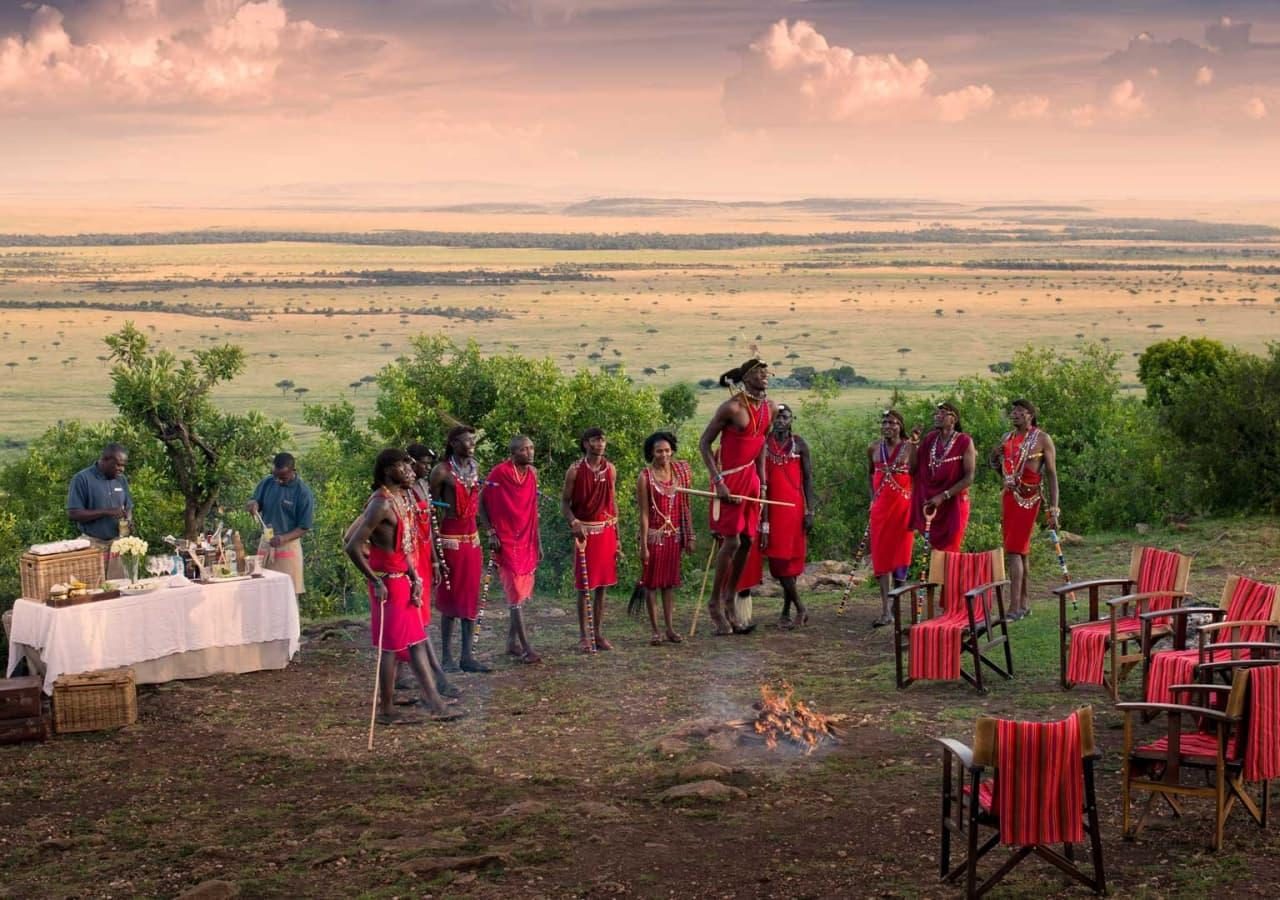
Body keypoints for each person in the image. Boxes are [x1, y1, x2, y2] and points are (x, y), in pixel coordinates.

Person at [343, 449, 458, 724]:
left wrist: (415, 577)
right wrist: (375, 579)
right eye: (402, 466)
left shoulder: (402, 498)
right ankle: (386, 710)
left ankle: (436, 704)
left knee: (417, 642)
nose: (409, 471)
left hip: (404, 581)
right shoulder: (380, 503)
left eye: (409, 465)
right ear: (386, 470)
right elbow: (352, 544)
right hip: (388, 585)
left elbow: (405, 546)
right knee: (391, 649)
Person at [699, 358, 775, 636]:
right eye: (758, 371)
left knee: (749, 540)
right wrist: (717, 480)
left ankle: (731, 599)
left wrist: (763, 481)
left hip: (752, 482)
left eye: (767, 371)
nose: (765, 375)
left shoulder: (771, 408)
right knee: (730, 541)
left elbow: (762, 443)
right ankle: (715, 605)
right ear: (745, 377)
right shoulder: (731, 408)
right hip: (729, 480)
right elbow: (704, 443)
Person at [397, 444, 460, 699]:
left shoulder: (422, 486)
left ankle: (409, 675)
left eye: (428, 463)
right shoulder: (402, 492)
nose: (426, 467)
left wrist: (435, 560)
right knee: (411, 617)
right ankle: (430, 678)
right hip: (408, 558)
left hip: (423, 555)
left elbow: (430, 528)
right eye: (422, 463)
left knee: (420, 616)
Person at [430, 426, 491, 673]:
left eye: (473, 440)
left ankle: (467, 656)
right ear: (454, 443)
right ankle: (446, 657)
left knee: (470, 597)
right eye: (467, 441)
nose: (472, 444)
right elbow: (431, 510)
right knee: (450, 596)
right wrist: (434, 545)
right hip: (450, 537)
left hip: (472, 539)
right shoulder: (441, 471)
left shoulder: (474, 467)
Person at [990, 398, 1059, 620]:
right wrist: (995, 459)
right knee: (1021, 551)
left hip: (1029, 498)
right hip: (1009, 497)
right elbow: (1002, 470)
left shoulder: (1042, 439)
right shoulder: (1007, 439)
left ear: (1031, 414)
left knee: (1013, 551)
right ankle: (1024, 602)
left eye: (1020, 411)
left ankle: (1014, 608)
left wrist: (1054, 508)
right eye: (1013, 410)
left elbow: (1051, 475)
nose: (1015, 414)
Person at [480, 435, 543, 664]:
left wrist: (539, 541)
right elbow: (481, 503)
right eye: (525, 449)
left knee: (523, 591)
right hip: (506, 539)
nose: (530, 452)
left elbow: (532, 509)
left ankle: (511, 643)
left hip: (526, 538)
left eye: (531, 448)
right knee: (515, 592)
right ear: (514, 452)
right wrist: (491, 532)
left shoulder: (532, 474)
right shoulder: (500, 473)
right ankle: (527, 648)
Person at [753, 404, 817, 628]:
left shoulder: (799, 444)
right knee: (777, 561)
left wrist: (810, 511)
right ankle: (800, 608)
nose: (781, 420)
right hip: (771, 510)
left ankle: (787, 611)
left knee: (791, 562)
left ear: (792, 419)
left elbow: (808, 479)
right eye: (777, 417)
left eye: (785, 417)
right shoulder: (763, 443)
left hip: (794, 509)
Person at [562, 427, 619, 653]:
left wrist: (618, 536)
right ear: (586, 443)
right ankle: (583, 636)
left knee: (603, 586)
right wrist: (573, 522)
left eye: (603, 439)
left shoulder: (611, 469)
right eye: (596, 440)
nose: (600, 443)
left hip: (605, 531)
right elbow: (565, 503)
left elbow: (613, 503)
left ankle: (598, 633)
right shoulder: (575, 471)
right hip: (584, 533)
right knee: (584, 586)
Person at [636, 431, 695, 645]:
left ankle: (670, 628)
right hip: (654, 537)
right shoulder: (645, 477)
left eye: (668, 450)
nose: (664, 455)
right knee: (651, 585)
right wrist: (643, 545)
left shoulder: (680, 472)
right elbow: (643, 513)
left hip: (674, 536)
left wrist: (690, 536)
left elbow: (685, 505)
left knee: (669, 584)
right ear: (651, 453)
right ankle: (655, 631)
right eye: (659, 451)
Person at [868, 410, 917, 627]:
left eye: (893, 423)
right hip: (880, 512)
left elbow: (919, 476)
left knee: (901, 557)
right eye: (885, 422)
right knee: (882, 559)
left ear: (900, 426)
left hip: (903, 510)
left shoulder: (909, 447)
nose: (888, 426)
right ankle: (886, 611)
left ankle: (897, 605)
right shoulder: (873, 448)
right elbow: (870, 475)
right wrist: (873, 500)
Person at [911, 402, 976, 553]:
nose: (937, 416)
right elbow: (914, 469)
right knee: (935, 552)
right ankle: (939, 577)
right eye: (936, 413)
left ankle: (952, 577)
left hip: (954, 504)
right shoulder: (929, 439)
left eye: (942, 413)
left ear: (953, 419)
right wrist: (914, 442)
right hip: (933, 504)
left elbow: (969, 477)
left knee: (951, 548)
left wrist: (943, 496)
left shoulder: (964, 441)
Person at [246, 452, 314, 597]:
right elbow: (256, 501)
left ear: (293, 471)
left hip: (287, 546)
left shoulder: (302, 493)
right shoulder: (267, 482)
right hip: (266, 542)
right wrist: (254, 505)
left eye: (282, 477)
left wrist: (283, 538)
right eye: (275, 475)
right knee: (263, 591)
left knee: (286, 594)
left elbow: (304, 526)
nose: (278, 480)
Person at [67, 443, 134, 580]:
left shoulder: (121, 480)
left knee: (120, 589)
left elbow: (128, 507)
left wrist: (129, 521)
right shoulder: (82, 479)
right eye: (118, 465)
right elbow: (74, 513)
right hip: (93, 544)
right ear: (105, 460)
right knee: (94, 589)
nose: (122, 469)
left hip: (118, 545)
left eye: (124, 465)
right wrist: (106, 512)